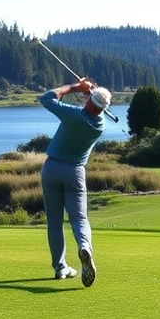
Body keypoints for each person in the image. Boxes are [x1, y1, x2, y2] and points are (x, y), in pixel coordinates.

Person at [38, 77, 112, 287]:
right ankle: (84, 246)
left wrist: (75, 87)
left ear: (89, 101)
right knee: (79, 217)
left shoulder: (72, 115)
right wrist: (89, 94)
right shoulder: (99, 126)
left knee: (54, 221)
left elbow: (46, 98)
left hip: (52, 169)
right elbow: (91, 108)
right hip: (75, 173)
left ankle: (60, 267)